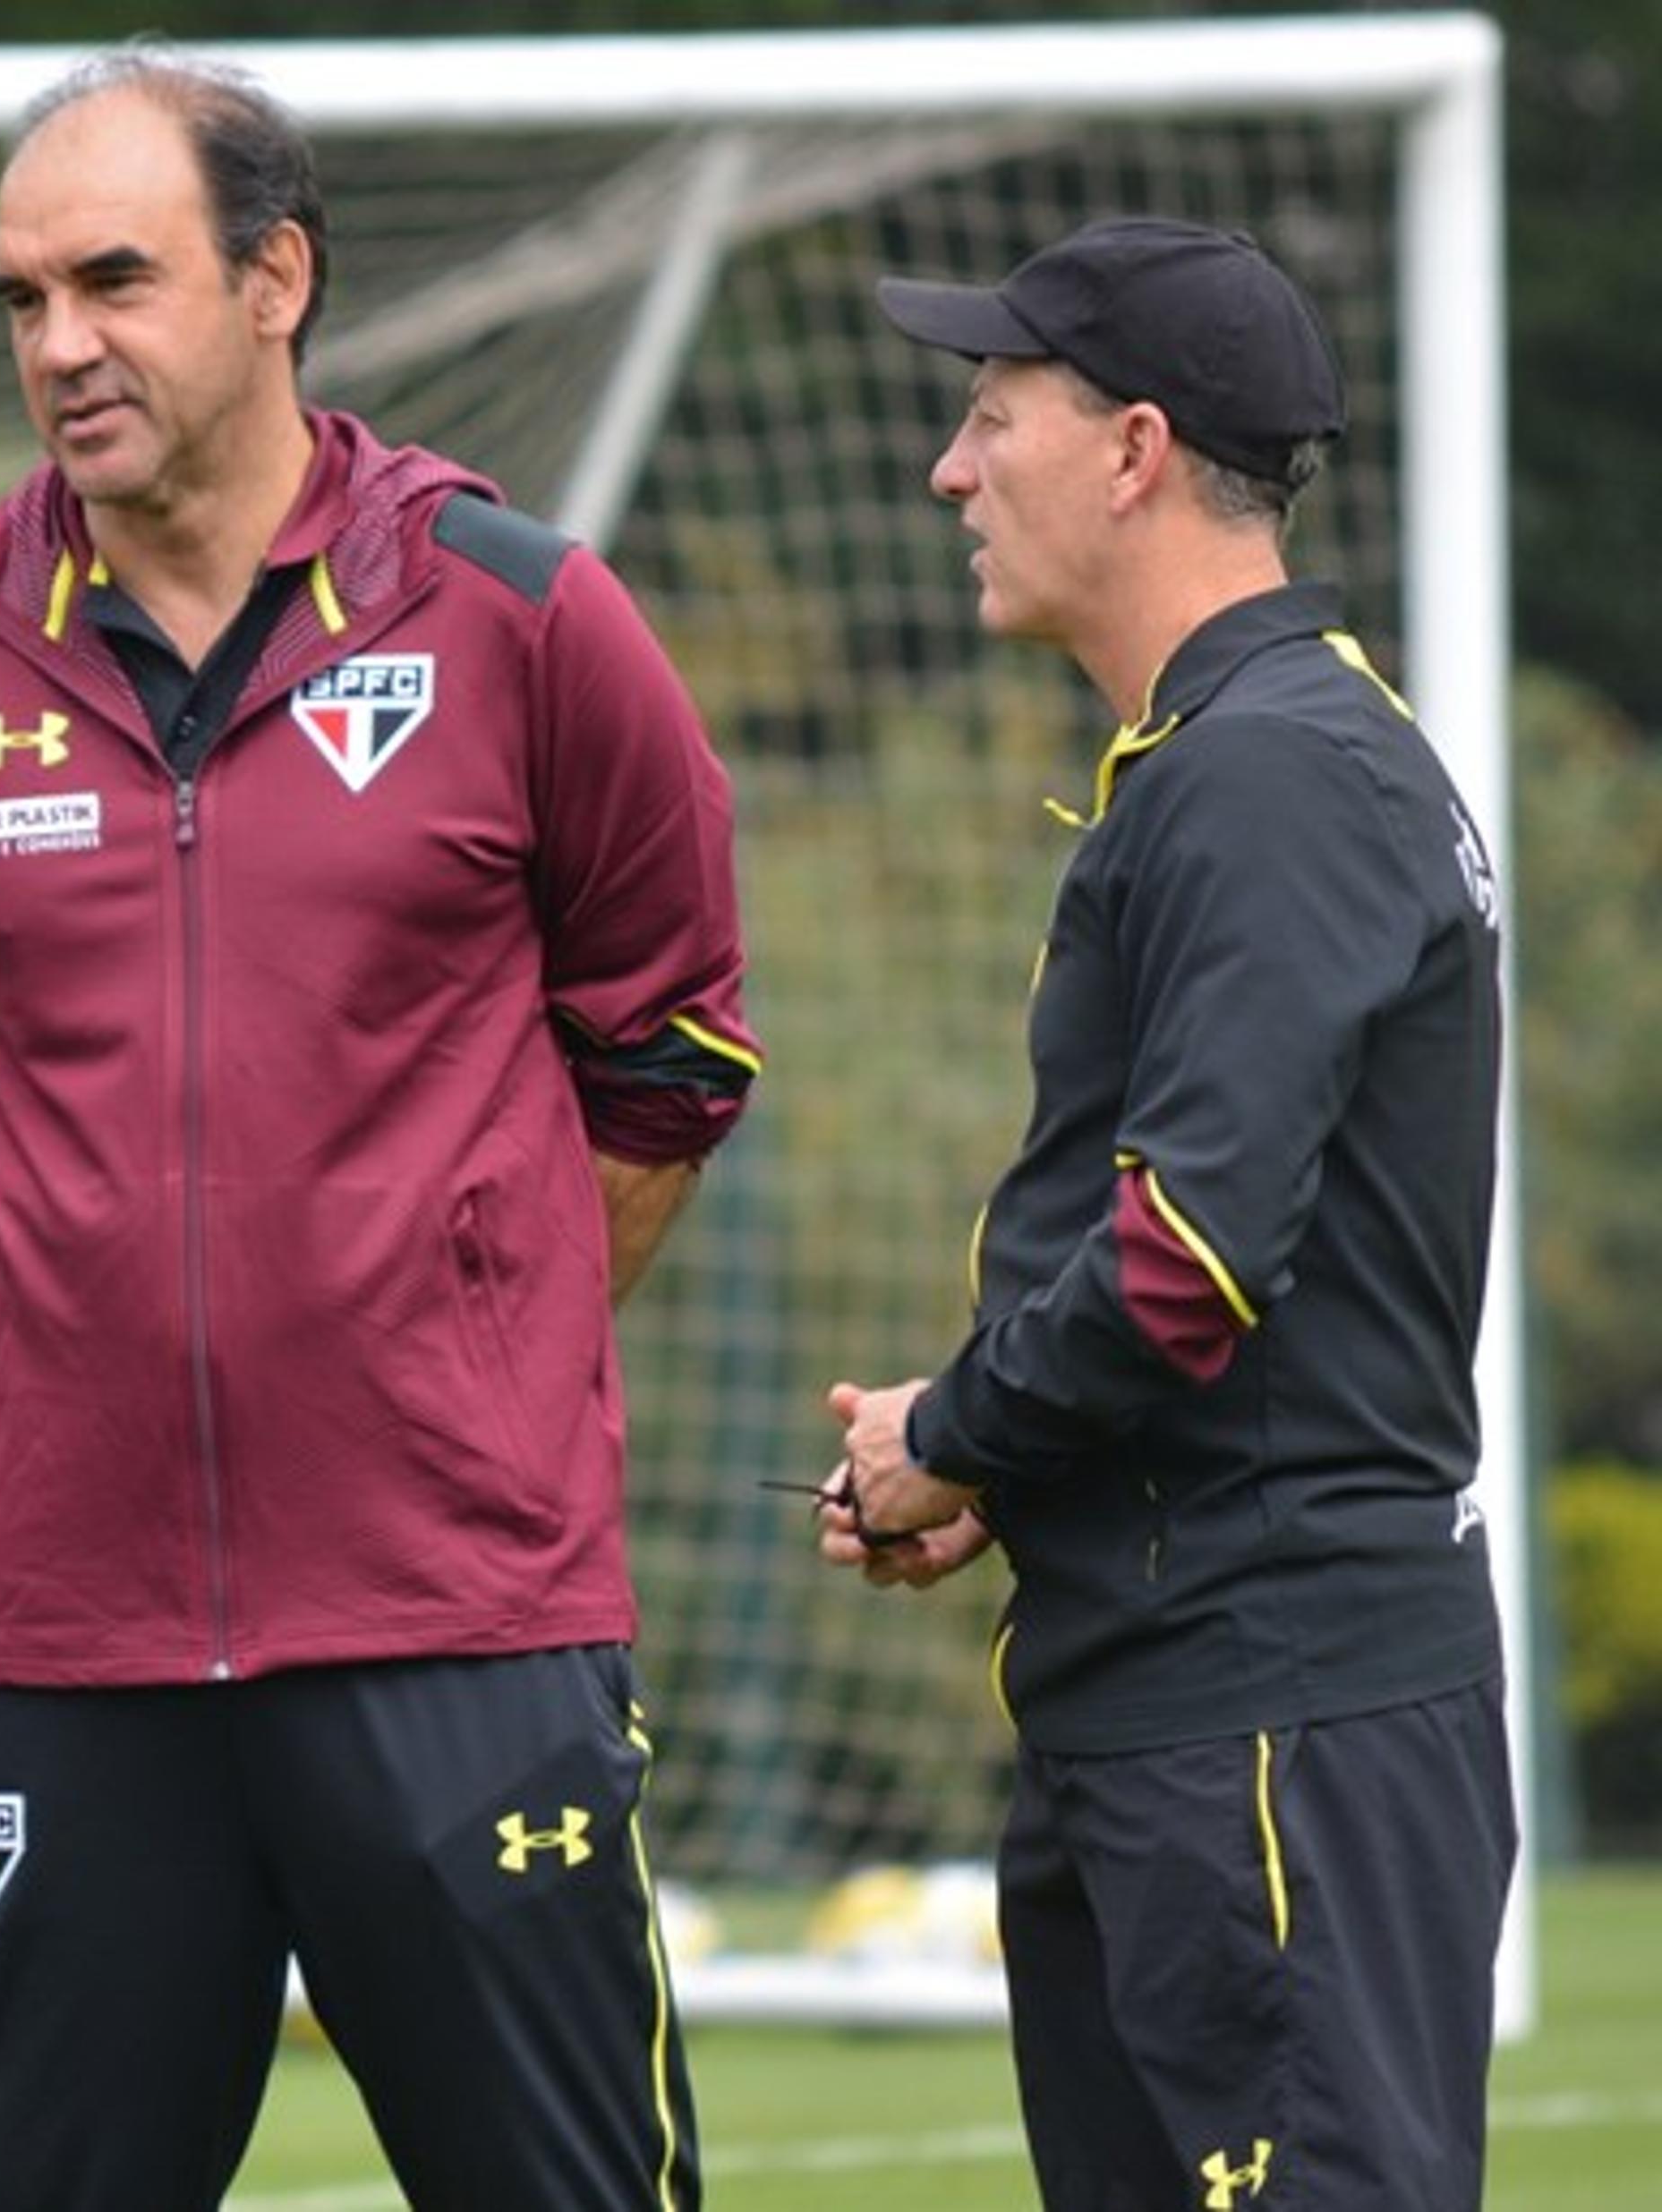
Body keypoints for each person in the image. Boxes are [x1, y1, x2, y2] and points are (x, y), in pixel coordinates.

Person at [0, 45, 760, 2211]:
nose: (60, 347)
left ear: (277, 280)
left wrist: (442, 1344)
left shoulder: (522, 617)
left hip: (458, 1631)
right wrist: (107, 1308)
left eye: (114, 281)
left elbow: (673, 1055)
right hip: (63, 1647)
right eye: (20, 300)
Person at [829, 217, 1514, 2211]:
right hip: (1184, 1699)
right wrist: (989, 1473)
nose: (955, 471)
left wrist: (944, 1438)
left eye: (990, 417)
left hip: (1268, 1713)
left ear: (1131, 450)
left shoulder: (1270, 777)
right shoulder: (1252, 757)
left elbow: (1184, 1263)